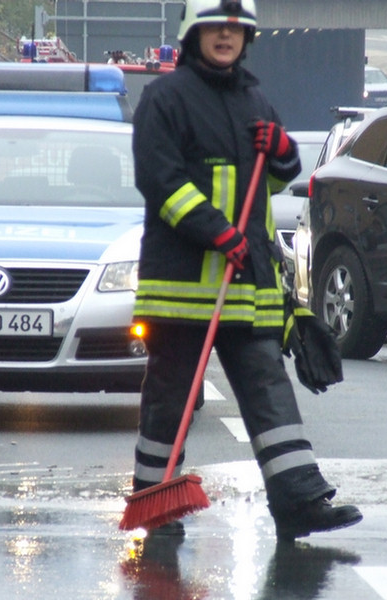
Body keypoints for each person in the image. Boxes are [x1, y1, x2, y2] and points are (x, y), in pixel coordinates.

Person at [129, 0, 362, 542]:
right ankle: (154, 506)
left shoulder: (255, 100)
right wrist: (218, 232)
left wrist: (282, 151)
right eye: (216, 27)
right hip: (182, 289)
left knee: (269, 393)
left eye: (237, 29)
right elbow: (160, 182)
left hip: (247, 287)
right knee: (171, 404)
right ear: (194, 34)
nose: (227, 36)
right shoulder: (164, 99)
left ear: (248, 38)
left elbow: (274, 180)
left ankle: (300, 500)